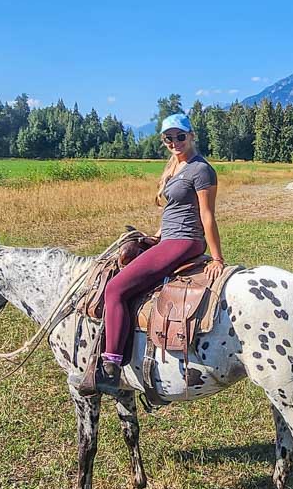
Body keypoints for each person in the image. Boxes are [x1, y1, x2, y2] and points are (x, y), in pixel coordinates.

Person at [74, 112, 225, 397]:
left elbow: (207, 215)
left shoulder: (201, 170)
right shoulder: (175, 167)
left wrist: (216, 258)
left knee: (116, 290)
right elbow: (174, 210)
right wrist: (156, 236)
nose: (174, 142)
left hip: (184, 241)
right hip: (169, 238)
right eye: (168, 138)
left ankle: (111, 367)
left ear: (192, 135)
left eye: (180, 136)